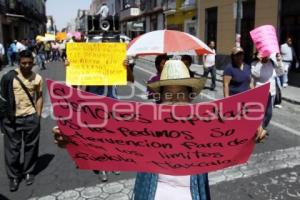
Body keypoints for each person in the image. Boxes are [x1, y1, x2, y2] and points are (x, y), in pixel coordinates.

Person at [0, 50, 43, 192]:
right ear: (19, 63)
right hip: (12, 119)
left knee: (31, 147)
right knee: (12, 150)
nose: (27, 66)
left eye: (30, 63)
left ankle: (29, 172)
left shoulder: (37, 78)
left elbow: (39, 97)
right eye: (24, 63)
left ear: (33, 62)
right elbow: (2, 99)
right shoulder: (8, 77)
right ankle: (14, 177)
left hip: (31, 118)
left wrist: (38, 115)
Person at [251, 52, 284, 135]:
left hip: (271, 92)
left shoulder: (272, 62)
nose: (266, 56)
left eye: (267, 55)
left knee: (269, 113)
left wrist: (279, 61)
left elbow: (280, 73)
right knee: (259, 113)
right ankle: (257, 130)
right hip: (259, 92)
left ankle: (263, 127)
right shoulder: (254, 63)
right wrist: (260, 62)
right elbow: (256, 74)